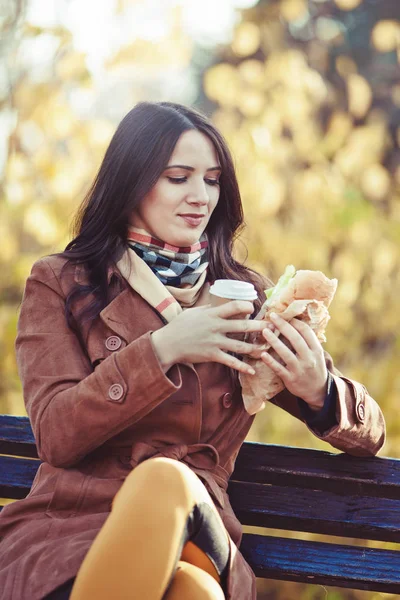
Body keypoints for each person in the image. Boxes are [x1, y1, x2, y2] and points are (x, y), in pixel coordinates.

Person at [0, 101, 385, 600]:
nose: (200, 197)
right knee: (192, 593)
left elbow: (370, 434)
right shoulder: (61, 282)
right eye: (179, 177)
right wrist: (162, 349)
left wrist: (322, 391)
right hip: (73, 533)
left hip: (201, 525)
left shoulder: (245, 295)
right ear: (131, 182)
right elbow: (55, 433)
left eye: (212, 180)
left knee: (167, 482)